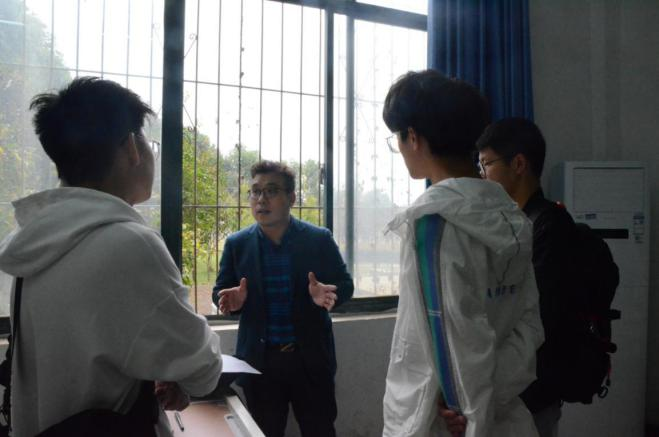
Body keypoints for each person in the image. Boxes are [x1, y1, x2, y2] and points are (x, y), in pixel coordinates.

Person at [0, 77, 223, 436]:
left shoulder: (32, 240)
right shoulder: (130, 245)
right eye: (149, 143)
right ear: (132, 148)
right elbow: (202, 369)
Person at [381, 70, 544, 437]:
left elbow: (456, 340)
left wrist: (469, 414)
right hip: (504, 411)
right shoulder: (511, 215)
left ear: (413, 137)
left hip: (446, 420)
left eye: (398, 138)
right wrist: (491, 399)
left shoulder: (434, 223)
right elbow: (528, 325)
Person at [212, 160, 353, 437]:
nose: (261, 199)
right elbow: (221, 292)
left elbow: (345, 285)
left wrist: (327, 293)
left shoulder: (318, 239)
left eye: (271, 191)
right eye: (255, 191)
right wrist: (231, 301)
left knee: (320, 430)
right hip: (261, 363)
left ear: (291, 198)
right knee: (264, 431)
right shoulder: (237, 244)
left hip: (309, 360)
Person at [476, 117, 575, 437]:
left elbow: (538, 313)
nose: (482, 174)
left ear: (518, 164)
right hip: (509, 379)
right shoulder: (510, 222)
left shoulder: (549, 225)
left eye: (487, 164)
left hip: (535, 386)